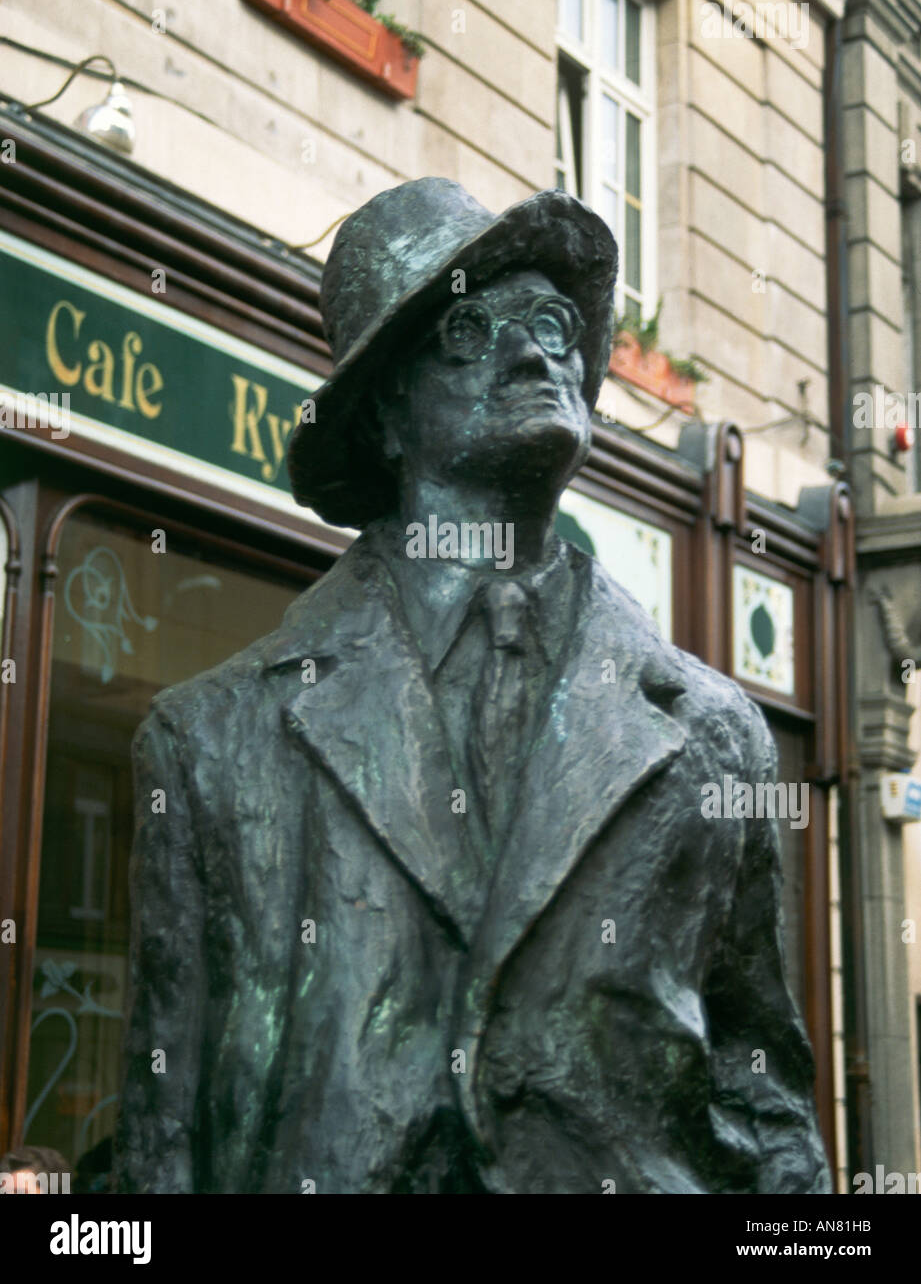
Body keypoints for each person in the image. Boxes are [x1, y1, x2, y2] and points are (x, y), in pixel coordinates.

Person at [114, 178, 830, 1194]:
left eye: (551, 322)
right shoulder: (208, 743)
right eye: (466, 330)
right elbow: (159, 1146)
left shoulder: (718, 734)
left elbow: (768, 1103)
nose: (536, 350)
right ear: (383, 419)